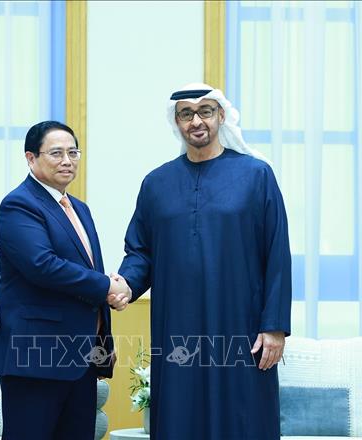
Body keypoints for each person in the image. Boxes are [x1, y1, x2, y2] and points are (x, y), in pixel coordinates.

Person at [116, 83, 292, 439]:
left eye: (205, 111)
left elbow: (276, 254)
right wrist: (125, 285)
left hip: (240, 326)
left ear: (221, 116)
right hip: (176, 326)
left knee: (243, 416)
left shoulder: (257, 175)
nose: (196, 121)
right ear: (176, 122)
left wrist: (274, 327)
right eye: (186, 114)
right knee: (180, 413)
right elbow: (140, 252)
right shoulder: (156, 183)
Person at [0, 121, 131, 440]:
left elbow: (86, 271)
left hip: (81, 358)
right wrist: (107, 287)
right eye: (56, 153)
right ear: (31, 158)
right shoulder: (19, 204)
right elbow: (43, 266)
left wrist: (110, 297)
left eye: (73, 152)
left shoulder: (79, 208)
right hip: (35, 358)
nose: (67, 160)